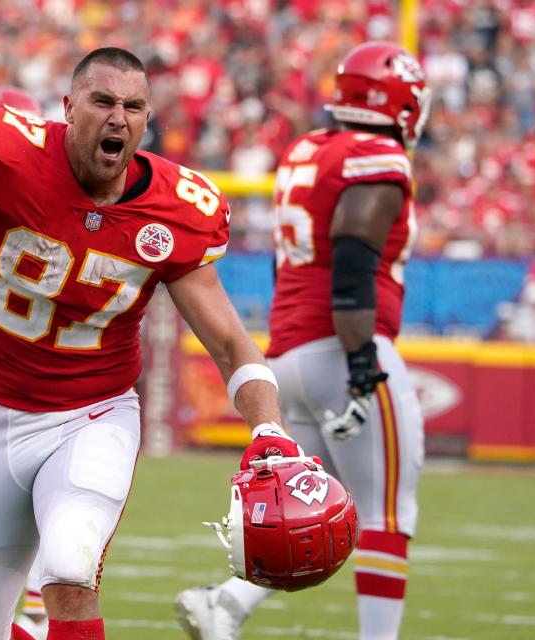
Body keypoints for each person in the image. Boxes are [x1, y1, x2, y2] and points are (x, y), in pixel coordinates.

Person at [0, 47, 304, 640]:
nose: (118, 118)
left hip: (94, 413)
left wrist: (270, 428)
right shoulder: (5, 151)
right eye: (103, 101)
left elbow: (232, 344)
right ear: (69, 107)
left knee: (70, 570)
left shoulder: (179, 209)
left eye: (133, 107)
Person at [175, 41, 430, 640]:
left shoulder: (306, 150)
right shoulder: (377, 156)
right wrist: (363, 358)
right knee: (388, 513)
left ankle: (226, 605)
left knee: (311, 507)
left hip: (288, 356)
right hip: (343, 351)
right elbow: (351, 257)